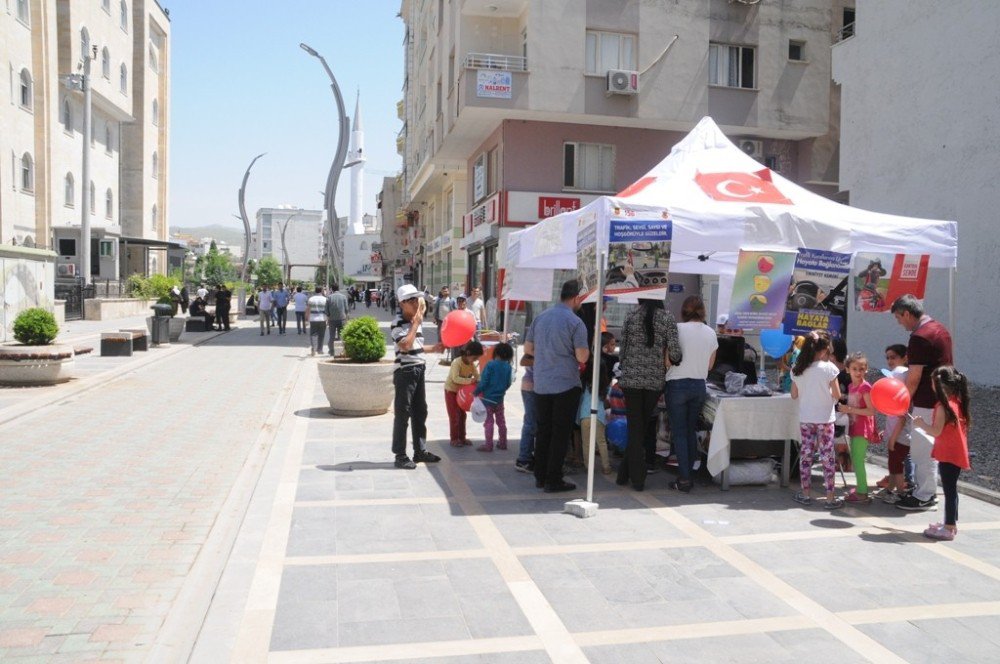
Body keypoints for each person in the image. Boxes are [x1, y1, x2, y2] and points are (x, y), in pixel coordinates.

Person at [523, 279, 589, 493]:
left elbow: (528, 348)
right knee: (560, 434)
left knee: (543, 431)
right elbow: (582, 356)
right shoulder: (576, 322)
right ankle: (554, 479)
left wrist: (547, 353)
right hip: (566, 384)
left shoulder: (540, 318)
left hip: (541, 383)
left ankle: (540, 476)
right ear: (577, 297)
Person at [892, 294, 953, 511]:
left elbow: (915, 377)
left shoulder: (919, 337)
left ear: (907, 313)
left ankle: (925, 495)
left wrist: (902, 403)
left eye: (899, 318)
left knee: (922, 450)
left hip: (926, 401)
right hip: (941, 398)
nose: (899, 323)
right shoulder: (939, 328)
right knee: (929, 448)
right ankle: (926, 491)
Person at [616, 298, 681, 492]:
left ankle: (624, 474)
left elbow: (622, 352)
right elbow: (675, 352)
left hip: (631, 380)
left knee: (636, 427)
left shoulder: (631, 315)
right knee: (640, 428)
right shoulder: (667, 318)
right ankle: (637, 478)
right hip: (654, 381)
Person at [665, 296, 717, 493]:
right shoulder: (711, 333)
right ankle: (690, 472)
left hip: (677, 384)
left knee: (678, 432)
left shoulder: (676, 329)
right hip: (698, 386)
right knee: (689, 431)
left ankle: (684, 478)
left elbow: (668, 361)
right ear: (702, 311)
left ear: (684, 311)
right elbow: (710, 365)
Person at [913, 366, 971, 541]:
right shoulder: (955, 401)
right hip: (954, 452)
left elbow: (936, 431)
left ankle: (949, 527)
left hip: (949, 455)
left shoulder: (942, 407)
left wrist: (920, 424)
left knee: (949, 490)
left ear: (937, 384)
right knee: (951, 489)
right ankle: (950, 522)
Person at [390, 285, 443, 469]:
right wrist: (416, 322)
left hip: (419, 369)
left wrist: (434, 348)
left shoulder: (414, 321)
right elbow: (405, 345)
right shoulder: (397, 322)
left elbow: (415, 348)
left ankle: (420, 451)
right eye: (410, 300)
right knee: (402, 413)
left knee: (420, 412)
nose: (415, 303)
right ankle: (400, 455)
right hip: (405, 371)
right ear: (402, 303)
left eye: (416, 299)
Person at [790, 331, 843, 509]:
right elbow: (837, 394)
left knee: (806, 454)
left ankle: (805, 493)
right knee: (827, 455)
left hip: (806, 418)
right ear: (826, 348)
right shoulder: (829, 368)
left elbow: (794, 394)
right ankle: (830, 497)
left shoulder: (798, 368)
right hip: (825, 419)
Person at [836, 352, 877, 503]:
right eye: (855, 369)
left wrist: (849, 410)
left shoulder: (865, 387)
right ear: (847, 369)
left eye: (862, 369)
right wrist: (845, 401)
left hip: (862, 429)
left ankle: (862, 493)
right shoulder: (851, 386)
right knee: (856, 459)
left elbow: (871, 411)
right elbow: (854, 403)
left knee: (858, 461)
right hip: (855, 428)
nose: (858, 372)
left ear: (866, 369)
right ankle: (861, 488)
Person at [879, 344, 912, 503]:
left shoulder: (900, 373)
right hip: (896, 434)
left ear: (904, 358)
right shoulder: (901, 374)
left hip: (899, 436)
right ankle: (890, 489)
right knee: (893, 464)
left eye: (894, 357)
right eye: (888, 357)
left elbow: (902, 417)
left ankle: (900, 493)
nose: (890, 360)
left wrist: (893, 437)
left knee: (896, 466)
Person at [474, 342, 514, 452]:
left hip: (487, 399)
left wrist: (476, 391)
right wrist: (502, 390)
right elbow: (508, 383)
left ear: (495, 353)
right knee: (501, 422)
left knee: (488, 422)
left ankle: (488, 445)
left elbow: (484, 382)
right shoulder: (508, 367)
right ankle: (503, 443)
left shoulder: (490, 365)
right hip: (499, 400)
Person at [577, 354, 613, 475]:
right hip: (599, 415)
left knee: (586, 443)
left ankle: (589, 467)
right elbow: (608, 400)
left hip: (584, 415)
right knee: (601, 442)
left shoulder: (583, 383)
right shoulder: (605, 385)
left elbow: (581, 399)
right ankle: (606, 466)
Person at [444, 341, 482, 447]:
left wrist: (480, 381)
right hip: (451, 391)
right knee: (454, 415)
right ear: (468, 353)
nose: (475, 361)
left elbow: (477, 376)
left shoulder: (471, 364)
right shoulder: (456, 362)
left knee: (462, 415)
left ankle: (462, 437)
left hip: (462, 393)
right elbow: (455, 378)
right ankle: (454, 438)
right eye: (474, 358)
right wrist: (470, 381)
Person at [516, 350, 536, 473]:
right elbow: (523, 361)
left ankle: (528, 456)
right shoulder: (535, 346)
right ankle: (524, 459)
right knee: (531, 423)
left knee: (532, 422)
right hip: (531, 387)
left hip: (534, 387)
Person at [326, 283, 349, 355]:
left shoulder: (329, 297)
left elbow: (326, 310)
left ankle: (331, 351)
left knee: (332, 335)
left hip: (332, 319)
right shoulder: (343, 297)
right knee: (341, 335)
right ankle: (340, 351)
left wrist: (329, 316)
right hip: (342, 319)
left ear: (332, 289)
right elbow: (347, 309)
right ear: (338, 289)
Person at [306, 286, 328, 356]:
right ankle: (320, 349)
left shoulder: (311, 299)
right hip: (322, 319)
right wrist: (328, 319)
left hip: (313, 319)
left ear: (315, 291)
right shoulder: (325, 299)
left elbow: (308, 310)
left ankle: (313, 348)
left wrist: (306, 319)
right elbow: (327, 310)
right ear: (321, 291)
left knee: (313, 334)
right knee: (321, 335)